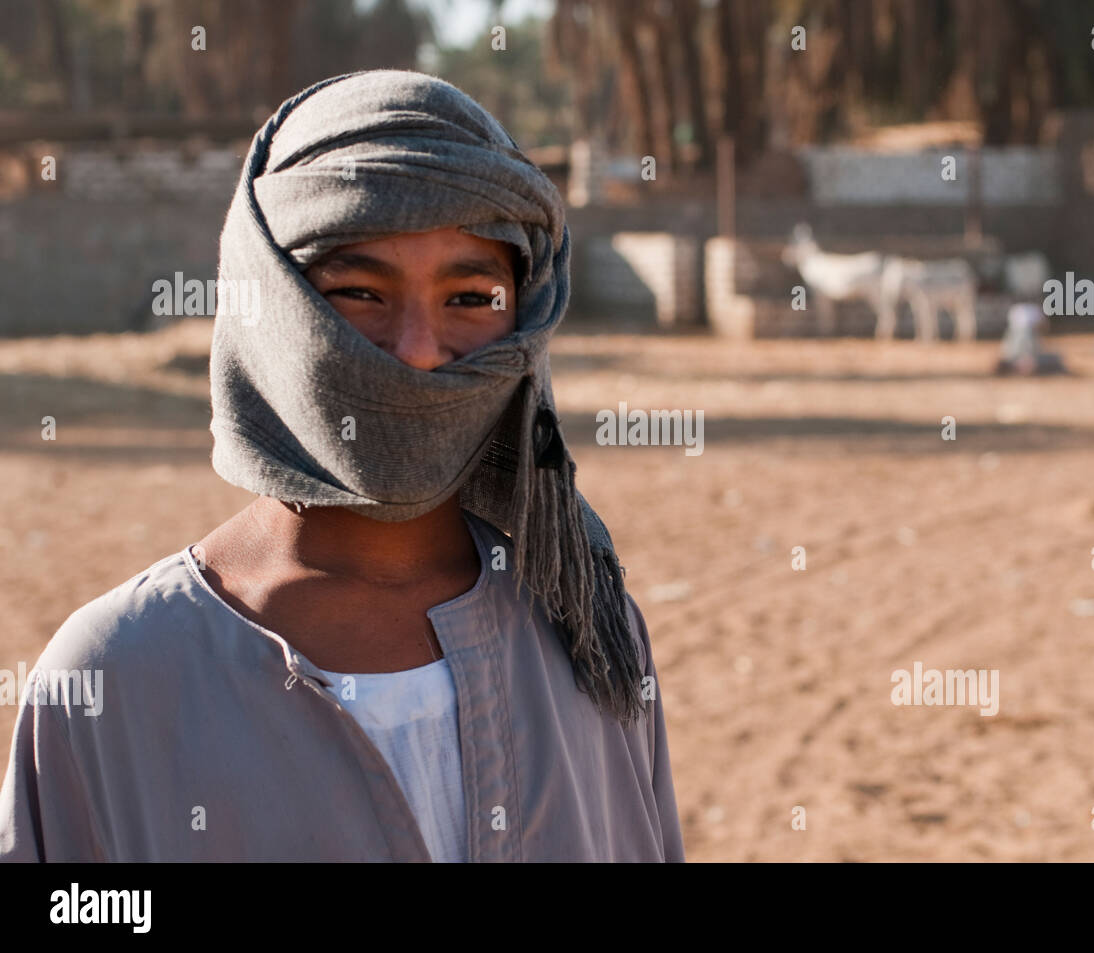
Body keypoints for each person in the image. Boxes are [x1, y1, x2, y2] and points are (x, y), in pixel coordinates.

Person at [0, 70, 684, 862]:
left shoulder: (593, 638)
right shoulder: (112, 680)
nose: (418, 352)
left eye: (470, 297)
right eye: (359, 291)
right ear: (275, 308)